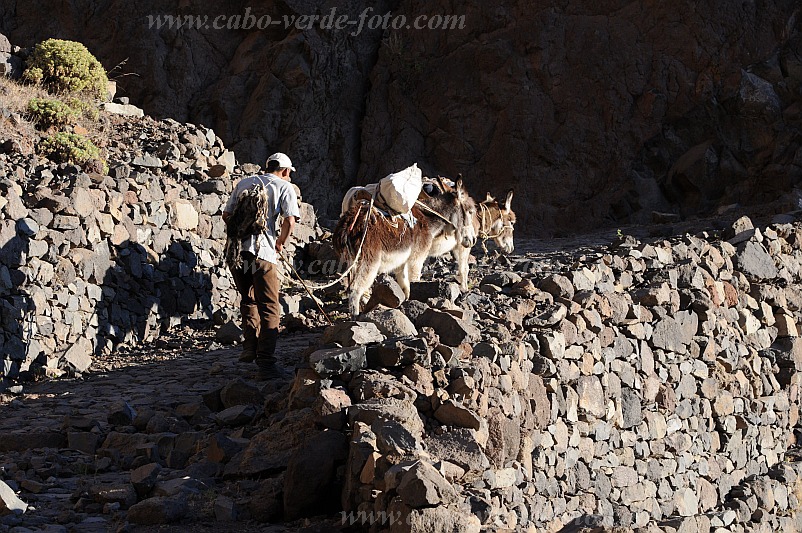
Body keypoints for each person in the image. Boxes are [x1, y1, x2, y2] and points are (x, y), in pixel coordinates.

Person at [222, 152, 300, 379]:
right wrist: (280, 242)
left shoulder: (244, 183)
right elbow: (289, 221)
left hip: (238, 255)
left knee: (248, 299)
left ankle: (249, 347)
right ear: (285, 171)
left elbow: (227, 215)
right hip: (263, 254)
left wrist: (244, 230)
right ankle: (266, 362)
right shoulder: (284, 188)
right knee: (270, 307)